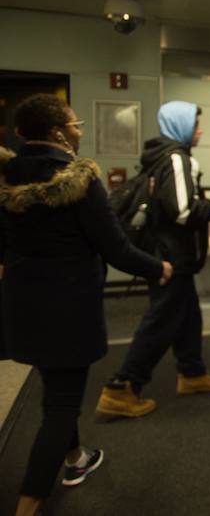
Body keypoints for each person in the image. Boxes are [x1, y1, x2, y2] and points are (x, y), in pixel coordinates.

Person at [0, 94, 172, 516]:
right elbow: (114, 248)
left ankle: (75, 459)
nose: (79, 132)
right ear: (58, 131)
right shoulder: (78, 179)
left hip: (21, 303)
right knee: (61, 404)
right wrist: (158, 268)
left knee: (55, 386)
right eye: (76, 124)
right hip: (68, 307)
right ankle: (28, 502)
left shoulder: (6, 177)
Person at [96, 101, 210, 418]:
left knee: (187, 315)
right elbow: (183, 211)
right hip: (172, 256)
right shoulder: (176, 158)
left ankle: (193, 373)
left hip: (165, 250)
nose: (199, 130)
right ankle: (122, 386)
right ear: (180, 126)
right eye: (195, 124)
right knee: (162, 320)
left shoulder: (157, 156)